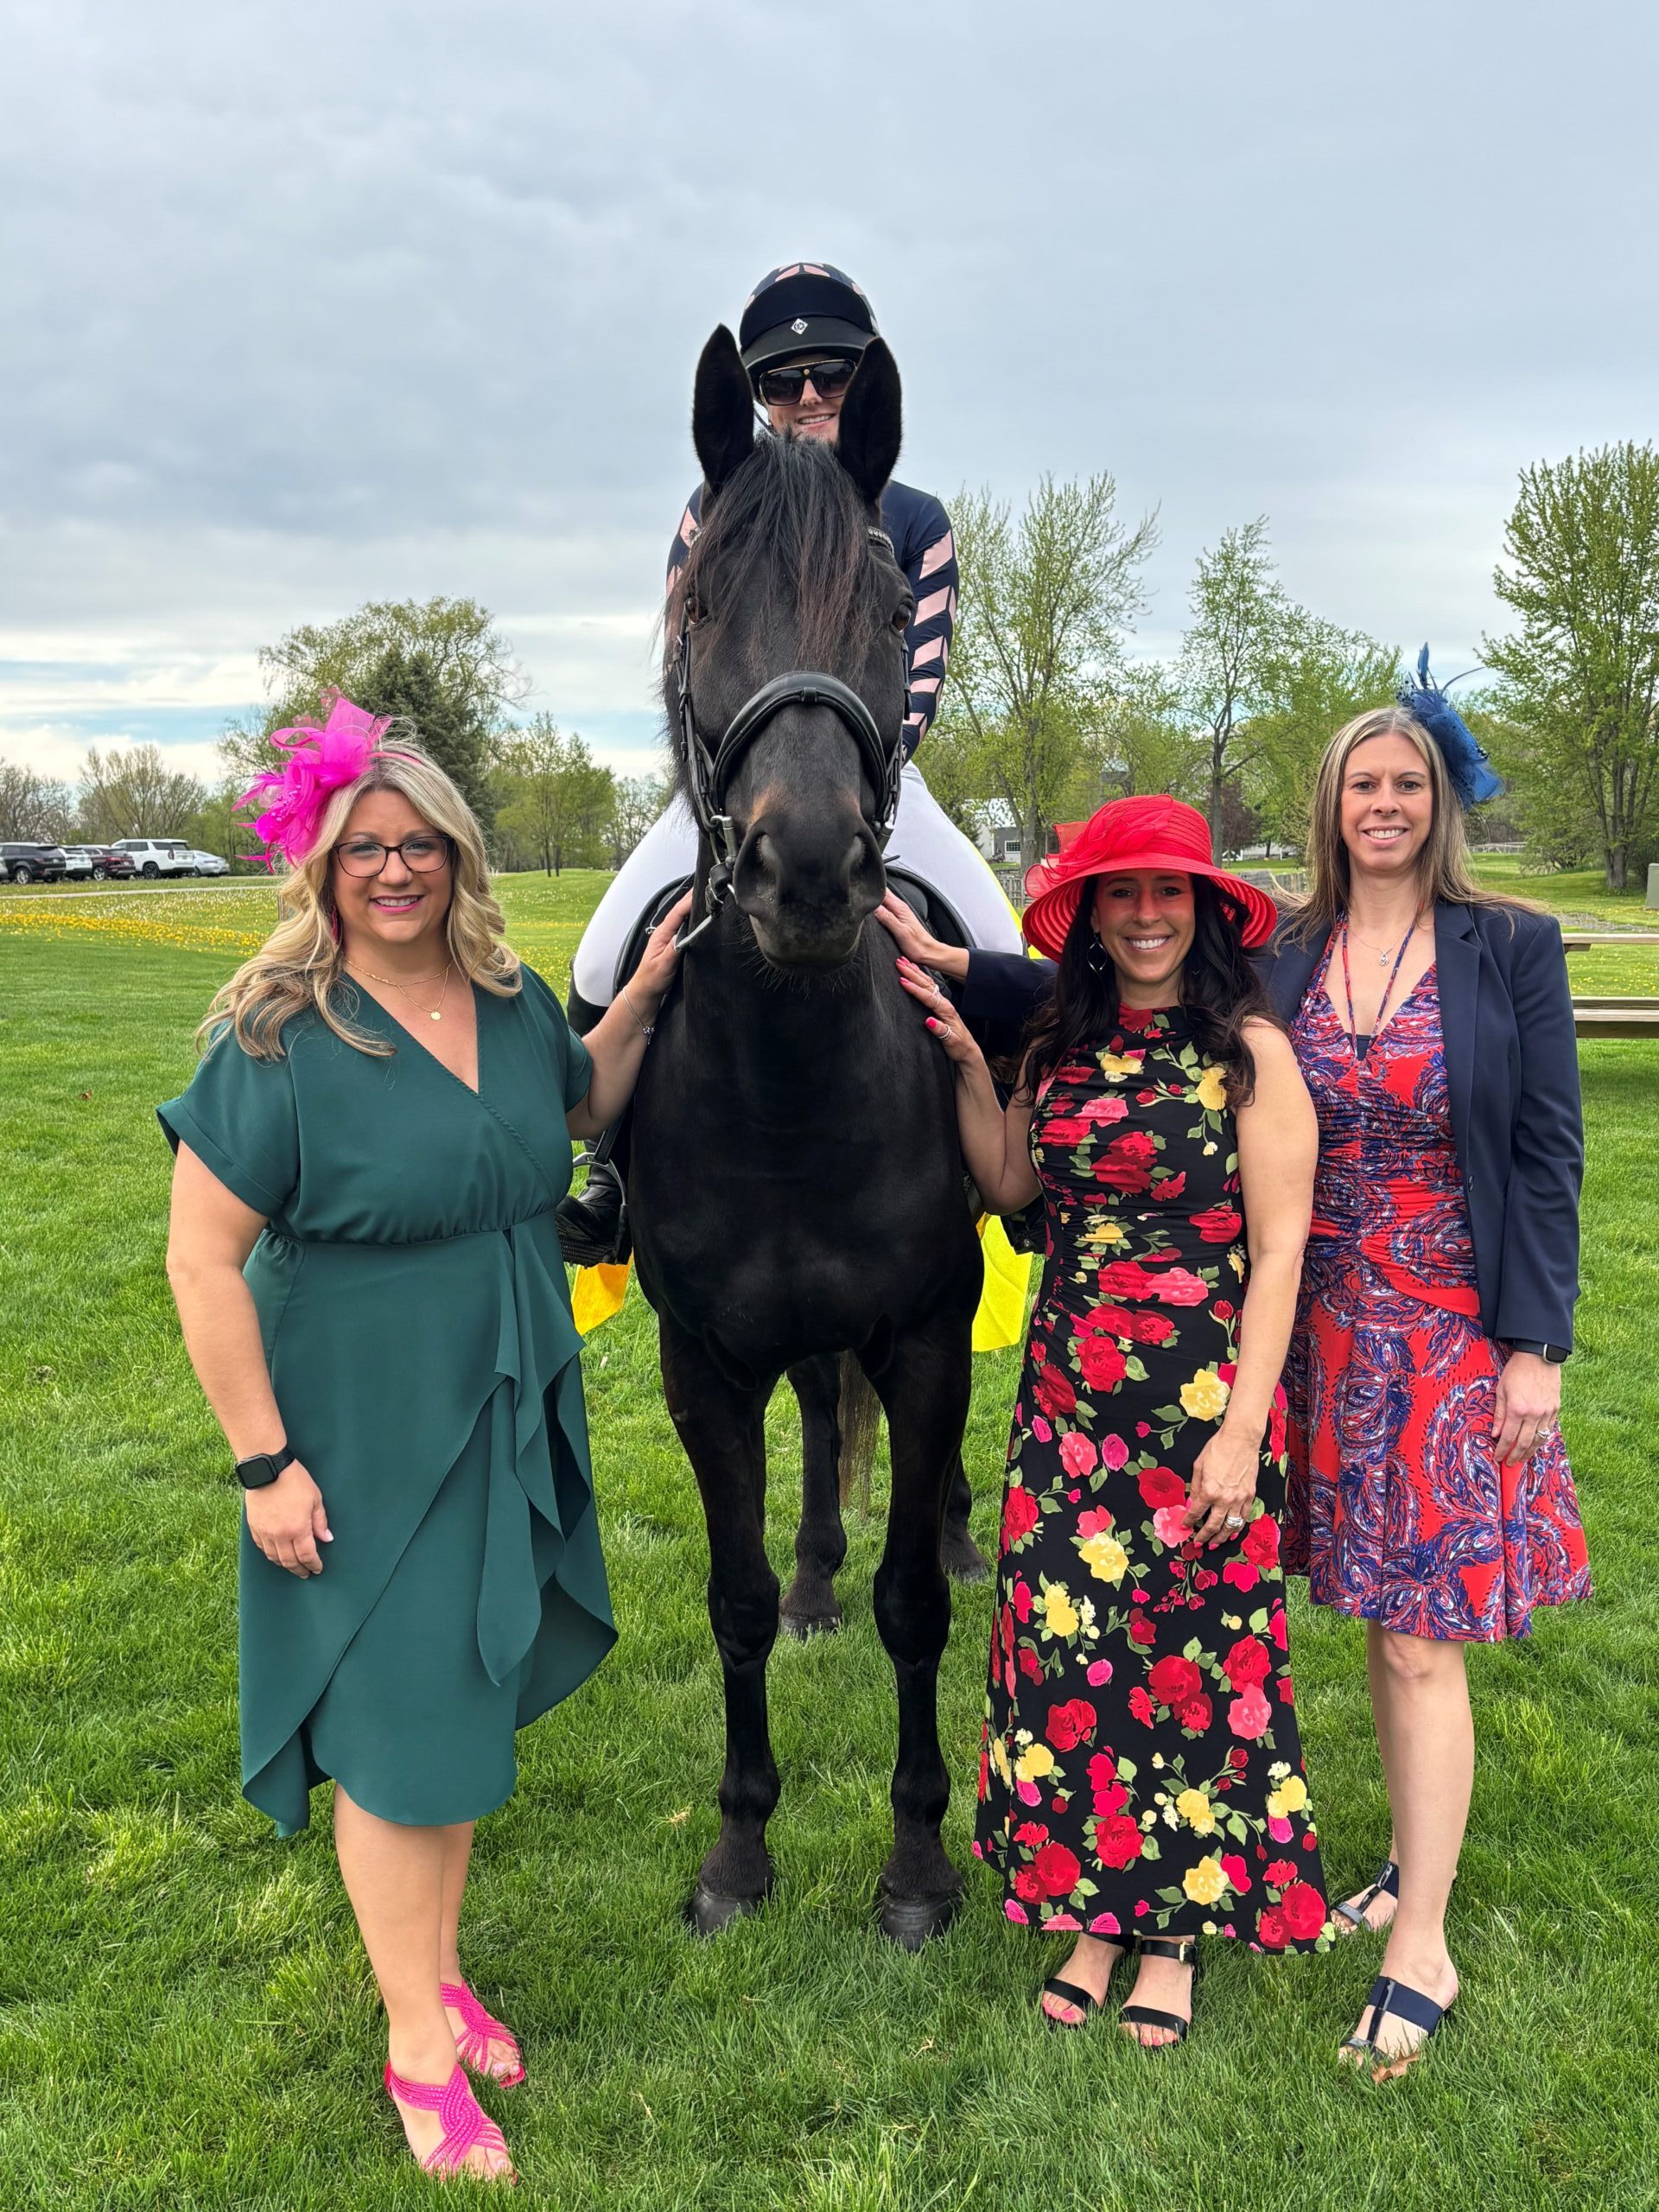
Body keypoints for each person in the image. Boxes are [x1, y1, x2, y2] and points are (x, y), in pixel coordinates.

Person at [159, 695, 688, 2182]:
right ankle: (412, 2048)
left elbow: (585, 1106)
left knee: (456, 1714)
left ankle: (441, 1975)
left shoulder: (515, 1005)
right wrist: (265, 1461)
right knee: (396, 1748)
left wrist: (639, 994)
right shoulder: (277, 1036)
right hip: (358, 1430)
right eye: (364, 851)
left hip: (505, 1402)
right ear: (320, 871)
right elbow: (202, 1262)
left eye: (420, 848)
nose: (395, 872)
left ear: (458, 858)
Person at [897, 794, 1332, 2046]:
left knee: (1191, 1663)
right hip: (1068, 1403)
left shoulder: (1252, 1052)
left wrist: (1245, 1430)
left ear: (1202, 909)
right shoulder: (1063, 1047)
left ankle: (1175, 1933)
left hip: (1200, 1401)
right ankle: (1094, 1909)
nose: (1146, 916)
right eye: (1123, 894)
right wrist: (974, 1072)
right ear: (1090, 915)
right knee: (1076, 1655)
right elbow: (1011, 1184)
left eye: (1169, 893)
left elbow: (1284, 1246)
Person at [560, 260, 1023, 1262]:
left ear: (863, 382)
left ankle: (1014, 1160)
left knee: (999, 938)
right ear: (758, 397)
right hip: (735, 781)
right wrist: (725, 786)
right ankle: (607, 1168)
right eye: (780, 379)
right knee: (600, 951)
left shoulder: (917, 520)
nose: (808, 396)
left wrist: (852, 787)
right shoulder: (712, 504)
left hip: (871, 782)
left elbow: (917, 682)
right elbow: (691, 661)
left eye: (831, 373)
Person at [1263, 671, 1591, 2078]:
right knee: (1376, 1622)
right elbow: (1131, 990)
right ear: (1333, 810)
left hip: (1455, 1335)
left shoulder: (1509, 947)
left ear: (1437, 801)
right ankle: (1407, 1862)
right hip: (1321, 1328)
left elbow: (1548, 1154)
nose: (1384, 805)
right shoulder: (1286, 949)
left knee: (1415, 1635)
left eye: (1406, 784)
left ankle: (1425, 1940)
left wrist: (1536, 1347)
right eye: (1362, 786)